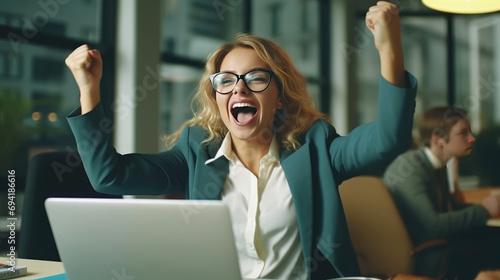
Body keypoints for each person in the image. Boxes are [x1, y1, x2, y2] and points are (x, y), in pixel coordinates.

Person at [65, 2, 417, 279]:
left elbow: (388, 139)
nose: (240, 88)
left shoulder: (316, 147)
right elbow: (108, 176)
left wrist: (390, 49)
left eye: (256, 78)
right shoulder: (195, 151)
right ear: (217, 96)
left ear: (279, 97)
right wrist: (88, 88)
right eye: (227, 80)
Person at [383, 106, 500, 279]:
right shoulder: (412, 168)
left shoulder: (436, 165)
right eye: (463, 133)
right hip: (428, 257)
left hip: (443, 244)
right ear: (438, 140)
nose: (472, 138)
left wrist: (471, 207)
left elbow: (446, 212)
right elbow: (432, 226)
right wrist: (483, 210)